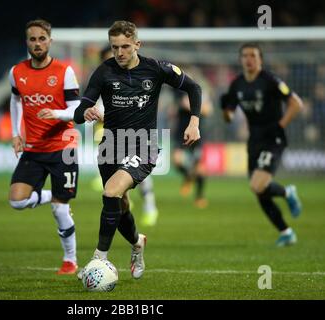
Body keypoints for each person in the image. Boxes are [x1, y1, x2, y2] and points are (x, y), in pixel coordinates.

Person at [73, 21, 202, 279]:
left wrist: (194, 121)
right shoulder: (103, 72)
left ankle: (98, 260)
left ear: (137, 45)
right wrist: (85, 111)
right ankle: (137, 243)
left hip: (143, 146)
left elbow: (194, 87)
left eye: (125, 47)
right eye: (114, 47)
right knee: (119, 206)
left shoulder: (155, 69)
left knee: (110, 192)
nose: (119, 52)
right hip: (110, 147)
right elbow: (79, 111)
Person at [8, 19, 81, 274]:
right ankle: (56, 194)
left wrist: (58, 114)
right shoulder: (17, 72)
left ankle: (70, 260)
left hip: (64, 146)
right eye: (32, 39)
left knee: (60, 211)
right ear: (26, 42)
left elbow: (76, 108)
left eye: (42, 38)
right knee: (17, 201)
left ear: (50, 41)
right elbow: (16, 100)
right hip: (34, 147)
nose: (37, 43)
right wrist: (16, 133)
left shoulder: (64, 71)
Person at [221, 43, 303, 247]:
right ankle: (286, 232)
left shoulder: (270, 80)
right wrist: (225, 109)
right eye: (245, 56)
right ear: (240, 59)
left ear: (260, 59)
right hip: (254, 140)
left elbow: (296, 103)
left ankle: (288, 193)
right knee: (259, 190)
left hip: (273, 139)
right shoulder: (237, 84)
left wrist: (280, 125)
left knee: (257, 184)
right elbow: (229, 116)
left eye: (253, 56)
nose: (249, 59)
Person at [91, 46, 160, 227]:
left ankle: (150, 206)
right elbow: (94, 112)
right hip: (112, 140)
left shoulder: (134, 80)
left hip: (135, 138)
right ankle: (133, 233)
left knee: (139, 176)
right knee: (117, 194)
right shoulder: (102, 82)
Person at [172, 68, 213, 208]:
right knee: (177, 161)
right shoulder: (177, 92)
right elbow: (178, 107)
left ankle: (199, 197)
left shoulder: (199, 91)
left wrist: (194, 106)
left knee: (200, 168)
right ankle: (188, 176)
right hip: (180, 132)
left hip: (197, 133)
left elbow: (209, 110)